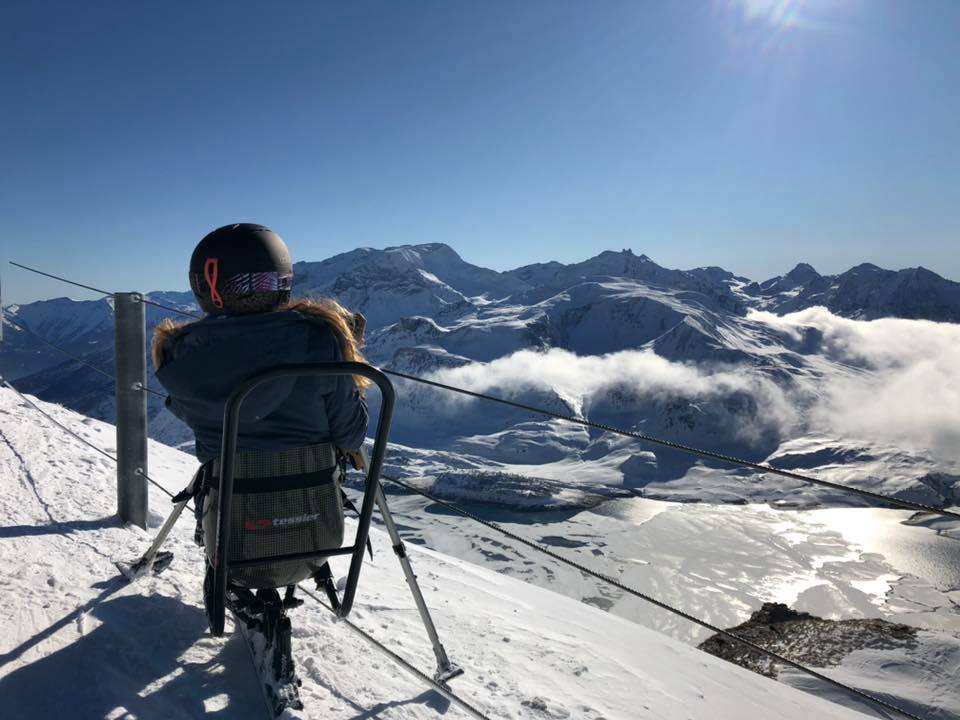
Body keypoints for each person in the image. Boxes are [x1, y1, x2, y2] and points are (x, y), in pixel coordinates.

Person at [153, 222, 369, 464]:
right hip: (315, 487)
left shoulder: (178, 350)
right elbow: (351, 437)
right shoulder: (319, 339)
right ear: (282, 284)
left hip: (223, 488)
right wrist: (348, 356)